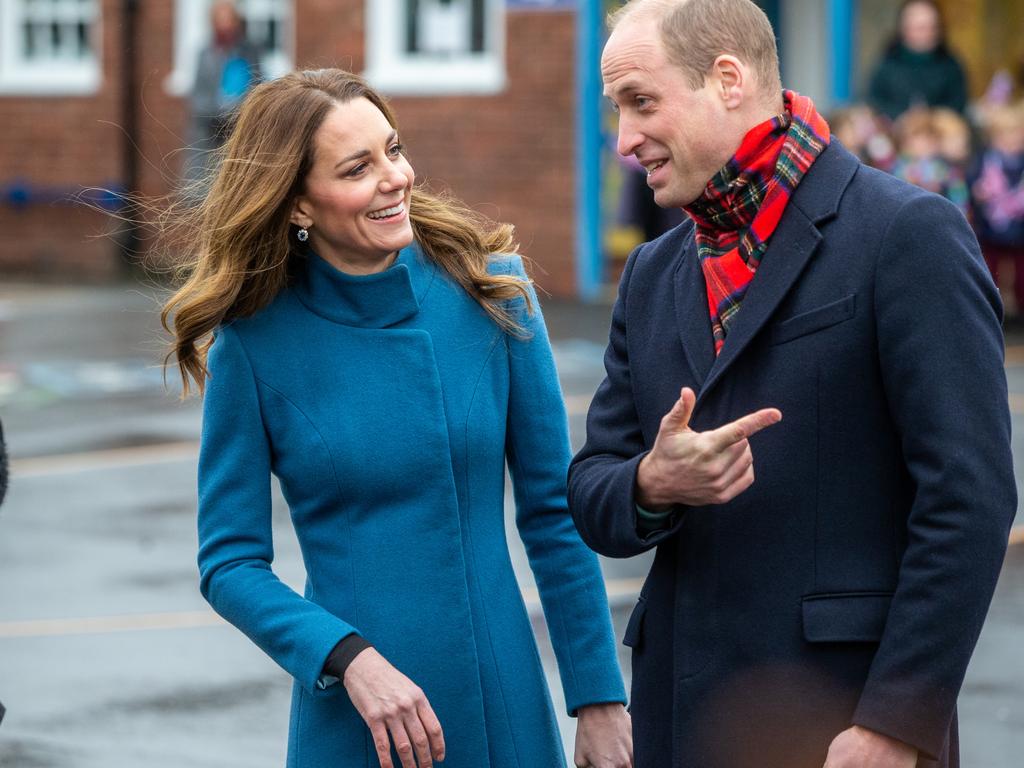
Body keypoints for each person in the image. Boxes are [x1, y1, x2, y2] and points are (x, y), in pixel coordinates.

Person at [568, 2, 1015, 768]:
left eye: (641, 103)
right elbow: (591, 488)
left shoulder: (906, 234)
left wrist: (897, 724)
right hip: (680, 723)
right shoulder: (649, 274)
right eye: (617, 111)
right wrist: (651, 481)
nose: (625, 140)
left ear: (729, 80)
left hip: (842, 727)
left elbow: (967, 499)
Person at [161, 68, 631, 768]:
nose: (396, 177)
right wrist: (346, 659)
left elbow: (553, 517)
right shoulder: (254, 346)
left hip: (501, 705)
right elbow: (229, 563)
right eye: (358, 167)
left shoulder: (492, 289)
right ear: (298, 205)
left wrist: (599, 701)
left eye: (394, 149)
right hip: (355, 722)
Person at [182, 1, 262, 191]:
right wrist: (213, 114)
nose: (224, 25)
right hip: (208, 134)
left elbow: (256, 87)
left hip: (238, 131)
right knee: (205, 189)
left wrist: (234, 114)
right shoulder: (205, 54)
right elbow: (198, 95)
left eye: (228, 19)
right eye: (220, 19)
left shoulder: (248, 53)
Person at [867, 0, 968, 122]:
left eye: (932, 28)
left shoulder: (950, 65)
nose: (926, 34)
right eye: (920, 28)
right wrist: (902, 118)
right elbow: (875, 103)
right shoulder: (887, 64)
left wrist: (931, 119)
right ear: (904, 29)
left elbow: (957, 105)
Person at [969, 102, 1024, 316]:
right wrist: (978, 193)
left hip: (1019, 229)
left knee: (1020, 272)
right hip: (991, 228)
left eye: (1016, 136)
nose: (1011, 142)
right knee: (991, 270)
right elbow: (972, 185)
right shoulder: (984, 161)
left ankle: (1020, 309)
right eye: (1005, 137)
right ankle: (992, 308)